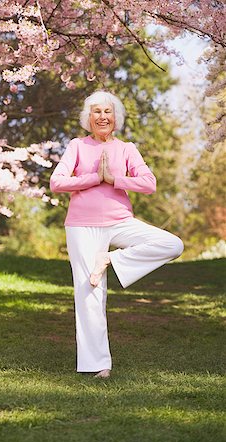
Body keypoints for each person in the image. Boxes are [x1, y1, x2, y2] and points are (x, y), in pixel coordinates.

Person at [49, 90, 184, 379]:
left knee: (172, 243)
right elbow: (57, 182)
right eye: (96, 112)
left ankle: (110, 258)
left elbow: (149, 183)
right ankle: (99, 365)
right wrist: (95, 178)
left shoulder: (126, 149)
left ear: (115, 118)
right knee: (89, 294)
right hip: (82, 225)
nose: (102, 117)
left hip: (119, 220)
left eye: (107, 112)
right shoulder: (76, 146)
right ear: (88, 118)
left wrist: (114, 179)